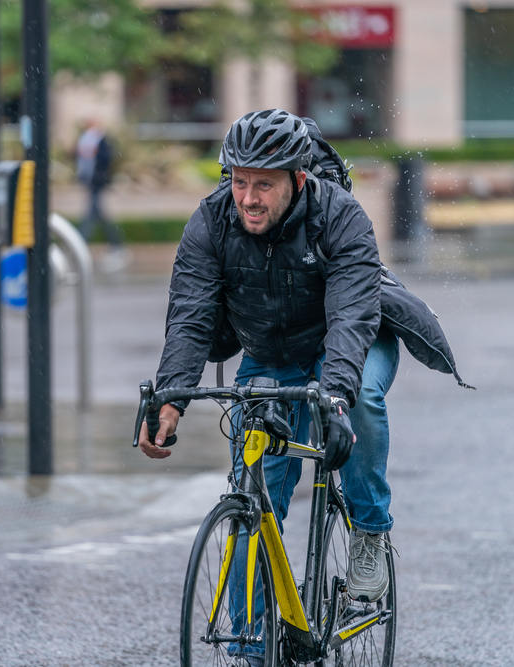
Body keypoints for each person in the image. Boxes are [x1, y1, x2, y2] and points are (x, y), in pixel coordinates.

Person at [137, 109, 398, 660]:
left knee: (365, 403)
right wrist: (170, 400)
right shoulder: (211, 222)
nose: (248, 197)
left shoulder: (341, 217)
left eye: (263, 184)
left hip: (349, 342)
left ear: (298, 180)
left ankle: (370, 534)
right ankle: (252, 646)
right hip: (272, 354)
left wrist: (336, 399)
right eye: (239, 181)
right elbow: (190, 317)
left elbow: (352, 316)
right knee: (253, 499)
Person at [75, 119, 127, 271]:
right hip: (92, 182)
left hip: (97, 183)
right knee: (99, 215)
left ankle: (80, 243)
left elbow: (105, 160)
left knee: (92, 215)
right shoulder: (88, 141)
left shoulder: (101, 141)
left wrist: (98, 176)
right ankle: (116, 245)